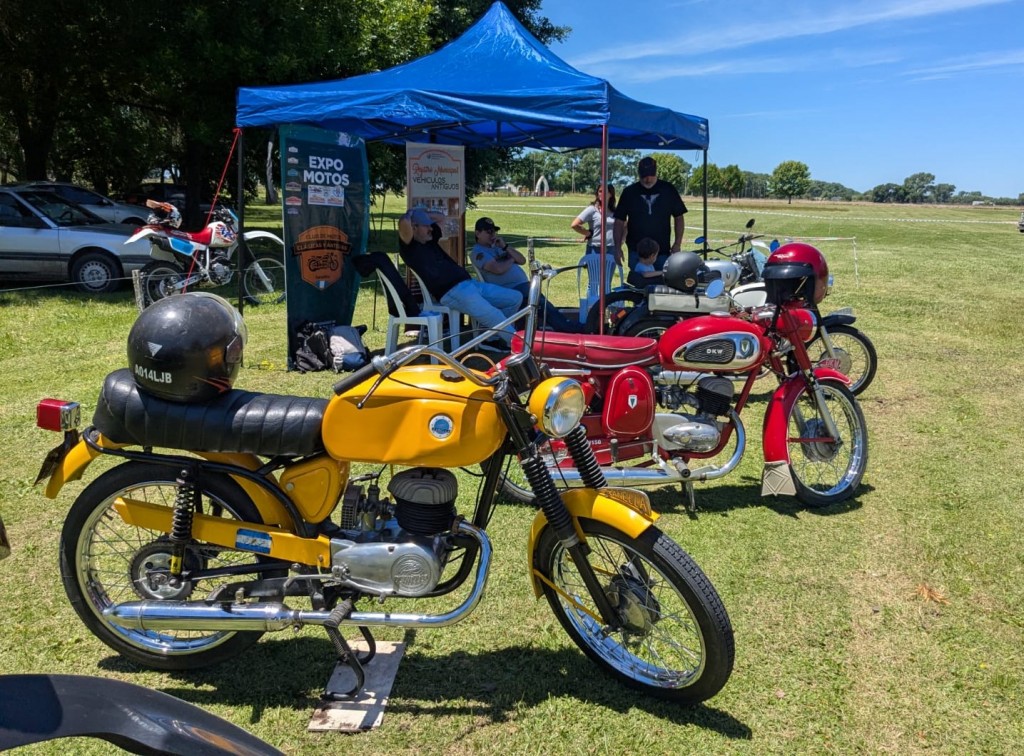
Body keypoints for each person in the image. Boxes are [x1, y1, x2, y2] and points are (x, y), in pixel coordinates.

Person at [398, 209, 521, 344]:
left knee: (515, 298)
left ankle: (492, 337)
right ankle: (520, 345)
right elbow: (404, 222)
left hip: (470, 284)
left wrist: (421, 214)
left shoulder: (429, 240)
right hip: (452, 291)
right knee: (493, 314)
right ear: (414, 228)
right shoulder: (409, 248)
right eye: (426, 226)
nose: (431, 228)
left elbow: (441, 217)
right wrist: (411, 214)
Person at [471, 216, 584, 333]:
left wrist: (505, 247)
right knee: (539, 301)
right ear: (478, 233)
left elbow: (521, 260)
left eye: (494, 231)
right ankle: (567, 327)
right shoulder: (478, 252)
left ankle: (561, 327)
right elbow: (498, 269)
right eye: (488, 232)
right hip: (506, 290)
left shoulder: (499, 247)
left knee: (538, 302)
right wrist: (511, 259)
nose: (492, 235)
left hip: (521, 287)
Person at [613, 156, 687, 272]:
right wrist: (617, 247)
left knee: (662, 281)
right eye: (644, 176)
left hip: (662, 252)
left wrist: (677, 243)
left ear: (655, 172)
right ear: (639, 174)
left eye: (650, 175)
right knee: (638, 281)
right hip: (636, 252)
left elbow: (679, 217)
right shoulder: (629, 192)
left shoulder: (668, 189)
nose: (647, 179)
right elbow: (619, 221)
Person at [571, 184, 616, 256]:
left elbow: (625, 226)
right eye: (600, 191)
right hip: (594, 249)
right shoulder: (592, 209)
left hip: (612, 249)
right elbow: (574, 225)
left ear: (611, 194)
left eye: (605, 191)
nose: (602, 193)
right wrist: (588, 233)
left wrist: (621, 241)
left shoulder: (615, 211)